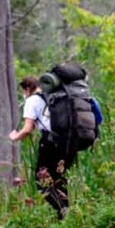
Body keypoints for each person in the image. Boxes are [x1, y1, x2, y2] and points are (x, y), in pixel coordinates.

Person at [9, 75, 75, 219]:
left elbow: (27, 129)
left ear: (27, 88)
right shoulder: (56, 97)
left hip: (50, 144)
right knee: (60, 181)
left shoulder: (32, 100)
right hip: (69, 142)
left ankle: (64, 212)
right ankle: (66, 220)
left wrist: (15, 136)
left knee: (42, 182)